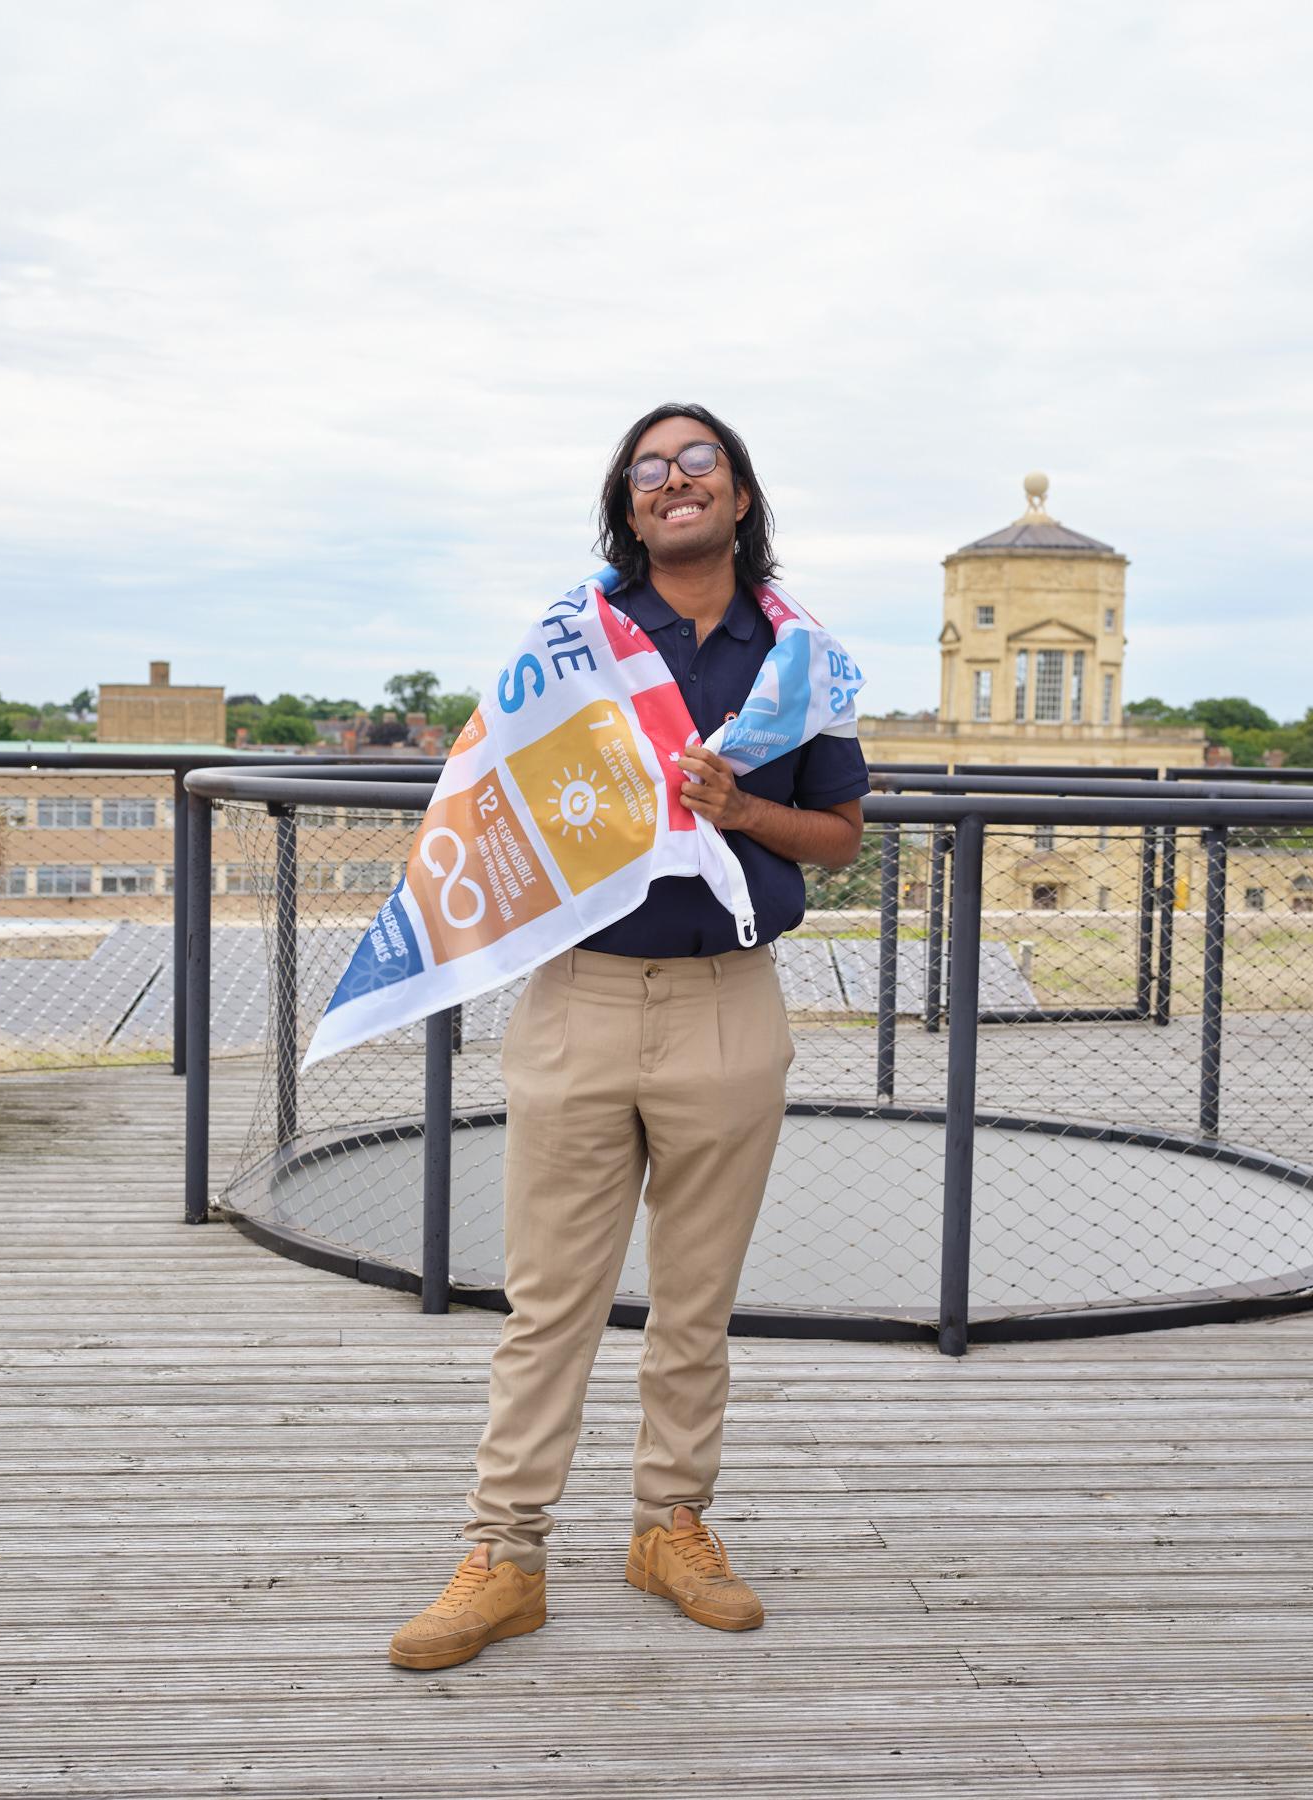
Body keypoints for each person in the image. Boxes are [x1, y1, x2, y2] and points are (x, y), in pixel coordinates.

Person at [389, 403, 870, 1671]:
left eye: (696, 461)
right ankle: (506, 1555)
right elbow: (488, 787)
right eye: (649, 470)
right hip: (581, 1000)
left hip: (731, 1000)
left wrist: (745, 806)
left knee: (695, 1305)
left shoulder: (797, 657)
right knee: (549, 1301)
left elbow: (840, 834)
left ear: (741, 495)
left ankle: (670, 1527)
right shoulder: (574, 642)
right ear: (629, 505)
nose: (674, 482)